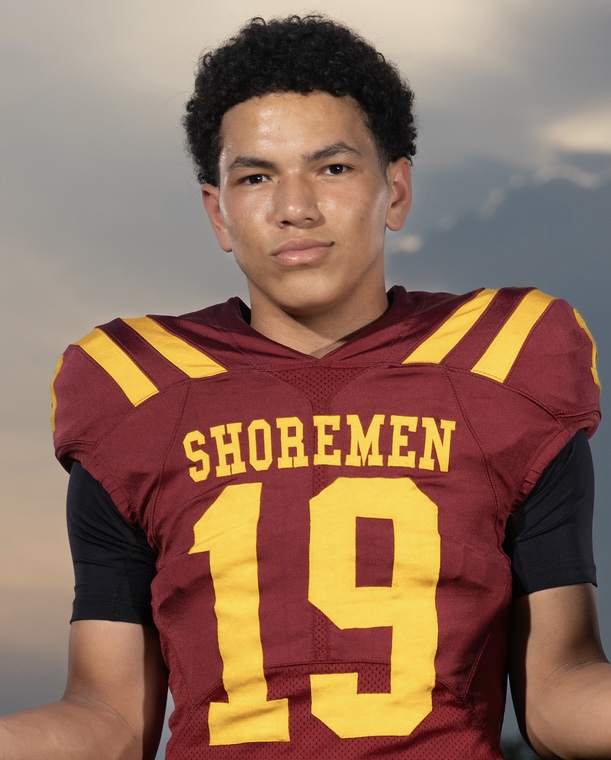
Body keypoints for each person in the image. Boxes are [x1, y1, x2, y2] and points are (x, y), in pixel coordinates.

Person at [1, 13, 610, 760]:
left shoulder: (502, 365)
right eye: (256, 176)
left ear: (395, 190)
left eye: (332, 168)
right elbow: (110, 718)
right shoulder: (136, 392)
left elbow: (557, 692)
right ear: (218, 213)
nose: (295, 208)